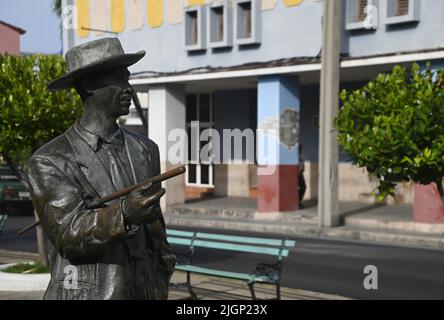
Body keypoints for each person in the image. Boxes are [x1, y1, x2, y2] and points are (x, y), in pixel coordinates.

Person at [27, 38, 175, 300]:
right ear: (89, 84)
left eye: (128, 78)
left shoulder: (146, 149)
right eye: (119, 78)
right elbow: (67, 234)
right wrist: (124, 214)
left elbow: (156, 226)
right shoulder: (51, 160)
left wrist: (163, 265)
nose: (128, 88)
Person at [298, 143, 306, 208]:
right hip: (293, 172)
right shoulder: (294, 154)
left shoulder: (301, 155)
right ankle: (297, 202)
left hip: (300, 173)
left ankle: (298, 201)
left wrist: (302, 168)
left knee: (303, 187)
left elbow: (302, 163)